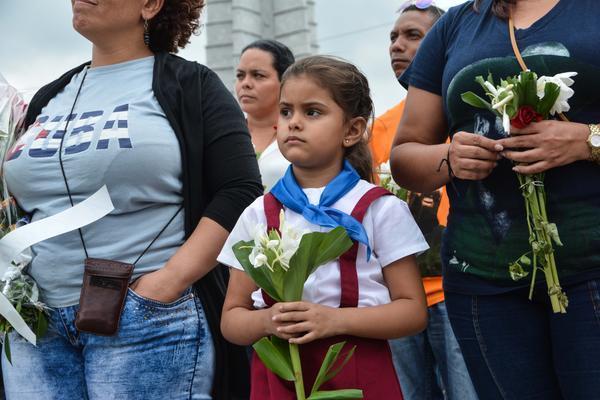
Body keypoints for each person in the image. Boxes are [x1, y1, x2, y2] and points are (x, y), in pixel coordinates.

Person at [2, 0, 262, 399]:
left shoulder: (192, 85)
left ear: (151, 4)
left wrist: (166, 284)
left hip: (144, 321)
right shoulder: (49, 96)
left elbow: (240, 191)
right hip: (35, 326)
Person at [391, 0, 600, 398]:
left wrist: (588, 140)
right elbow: (404, 156)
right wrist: (449, 157)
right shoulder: (455, 27)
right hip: (483, 284)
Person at [218, 55, 429, 399]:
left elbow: (412, 311)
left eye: (312, 112)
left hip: (359, 370)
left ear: (352, 130)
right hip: (279, 376)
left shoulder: (379, 207)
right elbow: (232, 319)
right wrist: (268, 321)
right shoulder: (258, 213)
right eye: (286, 111)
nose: (294, 123)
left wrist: (335, 320)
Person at [373, 4, 478, 400]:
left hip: (457, 291)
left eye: (413, 36)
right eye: (393, 37)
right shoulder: (381, 128)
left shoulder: (467, 114)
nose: (397, 46)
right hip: (398, 297)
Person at [235, 39, 295, 191]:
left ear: (285, 81)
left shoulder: (302, 132)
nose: (245, 83)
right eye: (240, 76)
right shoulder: (224, 134)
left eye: (258, 75)